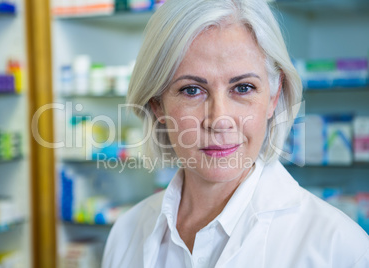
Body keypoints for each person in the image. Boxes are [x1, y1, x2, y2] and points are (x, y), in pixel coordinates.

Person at [102, 0, 369, 267]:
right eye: (192, 90)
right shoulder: (126, 233)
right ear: (157, 105)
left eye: (243, 88)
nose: (219, 120)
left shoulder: (340, 249)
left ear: (274, 96)